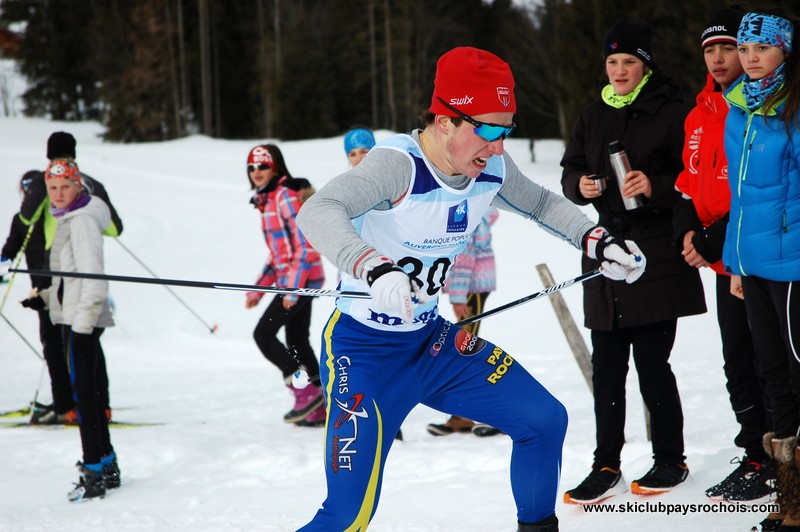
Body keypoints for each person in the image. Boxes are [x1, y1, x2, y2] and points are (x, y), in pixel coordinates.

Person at [295, 46, 646, 532]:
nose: (498, 146)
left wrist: (598, 242)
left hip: (432, 343)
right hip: (365, 353)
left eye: (507, 130)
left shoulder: (492, 170)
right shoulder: (398, 165)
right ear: (444, 120)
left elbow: (543, 204)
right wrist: (374, 269)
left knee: (543, 420)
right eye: (487, 129)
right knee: (349, 514)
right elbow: (318, 210)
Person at [560, 19, 707, 504]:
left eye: (628, 62)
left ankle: (671, 459)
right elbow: (570, 171)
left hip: (656, 251)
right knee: (606, 368)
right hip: (606, 252)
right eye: (612, 62)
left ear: (645, 65)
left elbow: (693, 177)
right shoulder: (592, 113)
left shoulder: (673, 110)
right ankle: (606, 465)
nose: (619, 70)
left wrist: (654, 186)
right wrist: (579, 185)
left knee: (651, 363)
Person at [672, 6, 775, 504]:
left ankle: (779, 453)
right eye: (709, 50)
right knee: (737, 359)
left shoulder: (755, 108)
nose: (718, 58)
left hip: (757, 254)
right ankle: (756, 451)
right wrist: (689, 233)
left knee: (767, 359)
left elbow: (756, 190)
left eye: (727, 48)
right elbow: (689, 185)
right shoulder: (698, 113)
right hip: (720, 260)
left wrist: (715, 238)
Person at [723, 10, 800, 530]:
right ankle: (790, 495)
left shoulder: (794, 106)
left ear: (784, 53)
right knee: (771, 372)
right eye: (745, 49)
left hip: (793, 263)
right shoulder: (738, 108)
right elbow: (739, 197)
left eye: (761, 49)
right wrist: (734, 261)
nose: (749, 58)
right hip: (753, 262)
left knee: (797, 370)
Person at [1, 132, 121, 425]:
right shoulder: (90, 183)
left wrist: (44, 189)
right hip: (75, 272)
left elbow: (26, 218)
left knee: (56, 342)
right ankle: (97, 404)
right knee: (86, 340)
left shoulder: (50, 184)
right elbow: (116, 228)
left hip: (53, 274)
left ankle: (68, 405)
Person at [36, 159, 119, 501]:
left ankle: (95, 473)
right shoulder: (71, 216)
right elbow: (71, 277)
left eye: (65, 187)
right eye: (52, 189)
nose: (58, 194)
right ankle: (107, 465)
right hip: (78, 316)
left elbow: (94, 280)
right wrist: (44, 296)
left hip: (83, 321)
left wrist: (82, 325)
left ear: (78, 186)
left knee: (85, 398)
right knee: (92, 396)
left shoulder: (82, 220)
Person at [244, 144, 326, 427]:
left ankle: (305, 394)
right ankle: (322, 404)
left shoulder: (284, 197)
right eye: (252, 167)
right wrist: (258, 289)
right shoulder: (267, 199)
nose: (256, 172)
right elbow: (278, 255)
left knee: (263, 335)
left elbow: (306, 246)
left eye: (263, 166)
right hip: (299, 280)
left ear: (275, 167)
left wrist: (291, 289)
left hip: (300, 281)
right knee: (297, 341)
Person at [426, 205, 502, 437]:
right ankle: (463, 416)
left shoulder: (467, 213)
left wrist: (459, 295)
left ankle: (493, 413)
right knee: (466, 351)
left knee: (468, 352)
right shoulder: (469, 210)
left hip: (472, 288)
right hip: (473, 287)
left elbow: (465, 257)